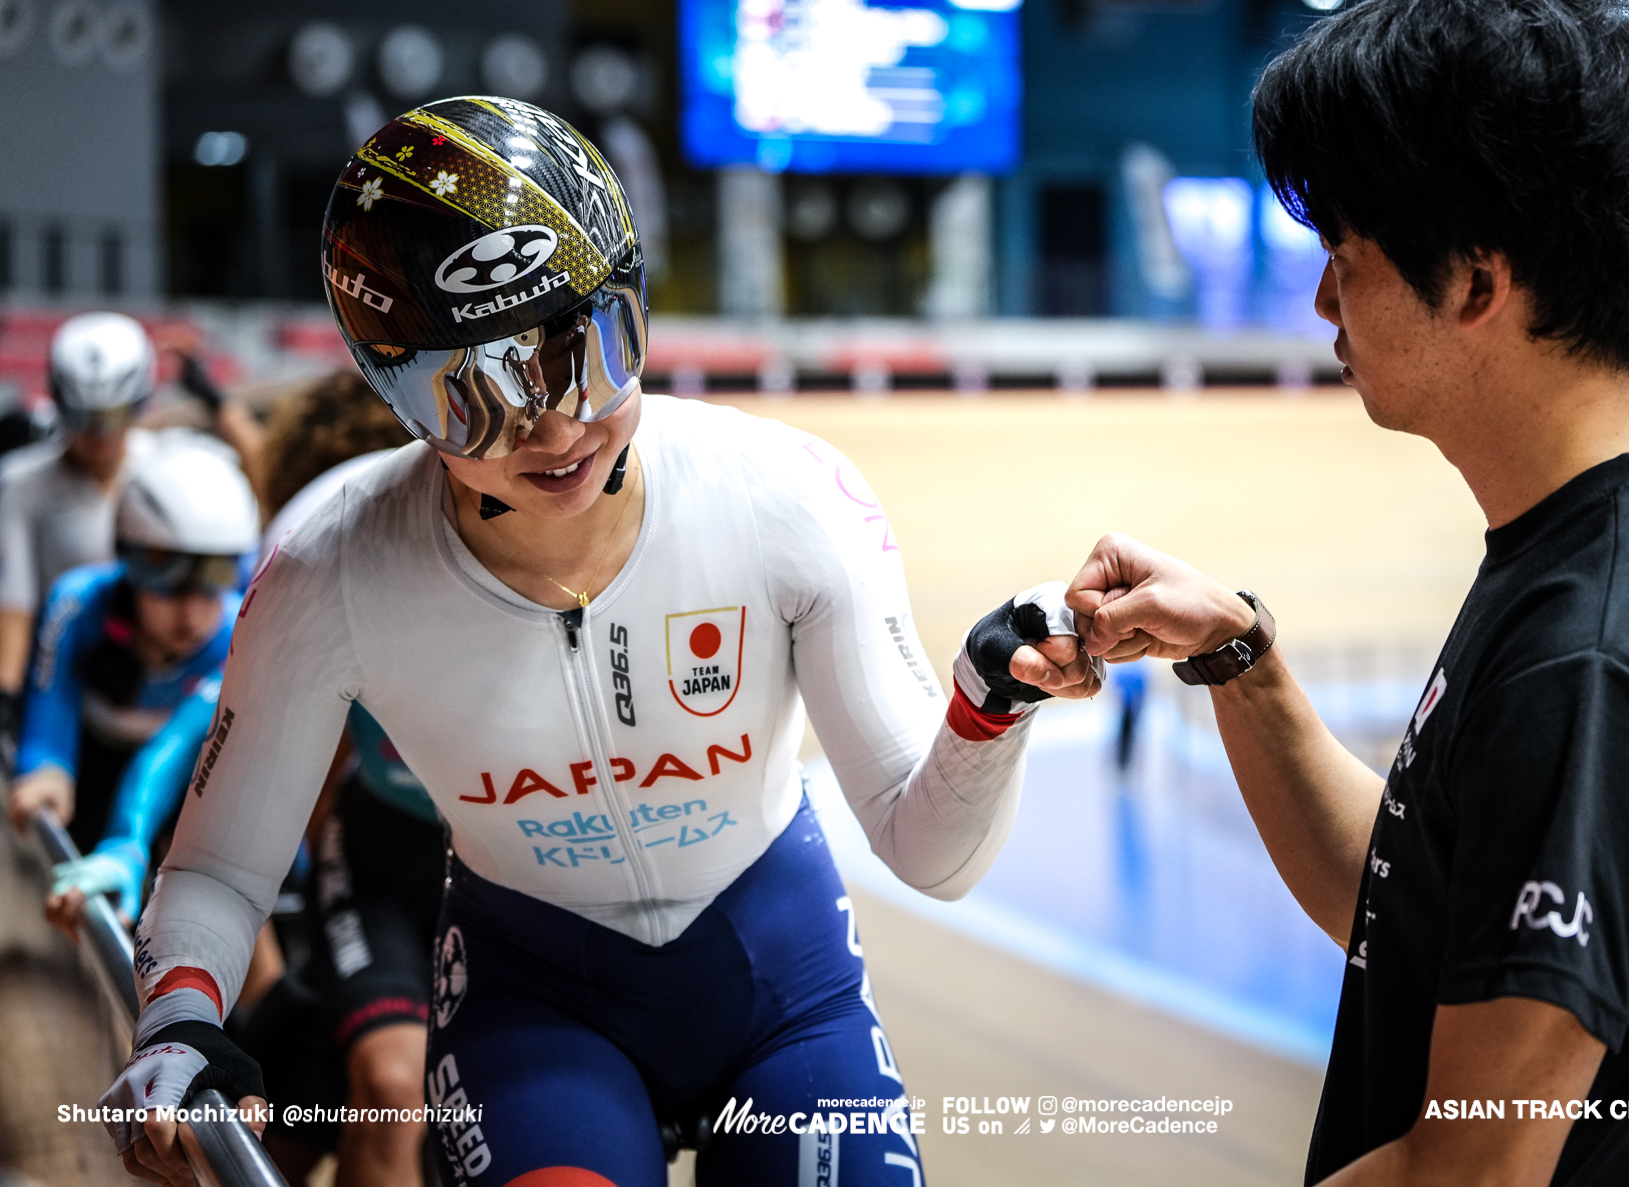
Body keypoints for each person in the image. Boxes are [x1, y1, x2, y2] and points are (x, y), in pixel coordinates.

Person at [100, 96, 1100, 1187]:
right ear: (397, 398)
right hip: (544, 1008)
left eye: (589, 349)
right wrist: (177, 1022)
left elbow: (926, 853)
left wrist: (987, 698)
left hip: (774, 992)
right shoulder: (327, 564)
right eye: (478, 395)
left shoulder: (784, 497)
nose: (557, 425)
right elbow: (219, 868)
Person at [1056, 0, 1629, 1186]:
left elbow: (1466, 1174)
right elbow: (1411, 901)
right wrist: (1240, 659)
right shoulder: (1625, 543)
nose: (1318, 299)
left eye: (1345, 254)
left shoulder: (1594, 656)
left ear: (1473, 279)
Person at [237, 370, 439, 1187]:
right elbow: (271, 805)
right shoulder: (329, 567)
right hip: (380, 866)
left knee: (385, 1109)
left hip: (486, 874)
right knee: (390, 1097)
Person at [6, 439, 258, 935]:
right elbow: (49, 709)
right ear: (129, 561)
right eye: (167, 578)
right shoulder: (78, 600)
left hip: (181, 776)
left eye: (212, 579)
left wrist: (128, 839)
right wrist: (47, 766)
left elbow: (171, 751)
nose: (190, 612)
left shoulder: (239, 637)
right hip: (92, 761)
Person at [0, 312, 159, 715]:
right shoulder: (22, 483)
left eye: (112, 417)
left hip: (154, 682)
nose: (99, 436)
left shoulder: (165, 466)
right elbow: (14, 606)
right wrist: (6, 699)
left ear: (139, 404)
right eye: (81, 417)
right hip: (61, 683)